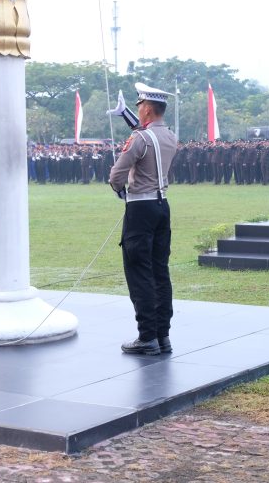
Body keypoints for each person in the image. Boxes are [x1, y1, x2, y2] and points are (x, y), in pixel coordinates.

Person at [108, 83, 178, 356]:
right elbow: (145, 134)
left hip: (140, 208)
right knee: (160, 272)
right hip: (162, 206)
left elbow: (116, 175)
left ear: (147, 108)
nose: (139, 110)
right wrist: (127, 116)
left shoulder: (139, 139)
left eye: (139, 106)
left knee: (139, 273)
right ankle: (162, 336)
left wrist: (118, 189)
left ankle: (146, 336)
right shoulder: (170, 137)